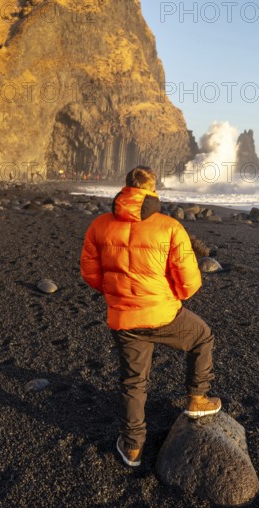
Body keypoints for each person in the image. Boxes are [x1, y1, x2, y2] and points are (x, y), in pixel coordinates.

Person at [80, 166, 221, 467]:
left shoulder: (99, 225)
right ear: (153, 189)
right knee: (202, 338)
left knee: (133, 381)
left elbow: (91, 275)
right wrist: (171, 296)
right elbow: (189, 282)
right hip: (163, 315)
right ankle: (197, 399)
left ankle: (132, 446)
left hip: (124, 319)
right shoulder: (169, 227)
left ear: (126, 187)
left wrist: (116, 293)